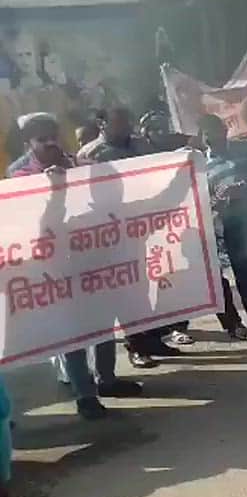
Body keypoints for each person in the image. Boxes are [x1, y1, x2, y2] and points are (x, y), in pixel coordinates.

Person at [7, 113, 144, 419]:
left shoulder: (75, 163)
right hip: (53, 262)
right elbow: (35, 224)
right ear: (28, 142)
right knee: (73, 331)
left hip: (90, 253)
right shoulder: (20, 175)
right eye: (41, 137)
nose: (50, 142)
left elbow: (99, 199)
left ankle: (107, 380)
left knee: (103, 320)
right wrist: (57, 191)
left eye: (52, 134)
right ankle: (85, 395)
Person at [77, 107, 191, 368]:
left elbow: (160, 169)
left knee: (149, 286)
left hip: (146, 223)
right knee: (129, 291)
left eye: (127, 121)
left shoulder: (142, 145)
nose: (125, 126)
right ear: (101, 123)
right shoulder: (91, 154)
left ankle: (153, 340)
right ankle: (136, 346)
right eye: (119, 122)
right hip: (115, 231)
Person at [200, 114, 247, 343]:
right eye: (207, 134)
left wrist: (246, 186)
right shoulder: (200, 165)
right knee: (221, 279)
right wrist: (217, 200)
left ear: (225, 130)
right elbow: (198, 199)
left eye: (216, 131)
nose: (212, 138)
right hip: (219, 225)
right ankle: (234, 324)